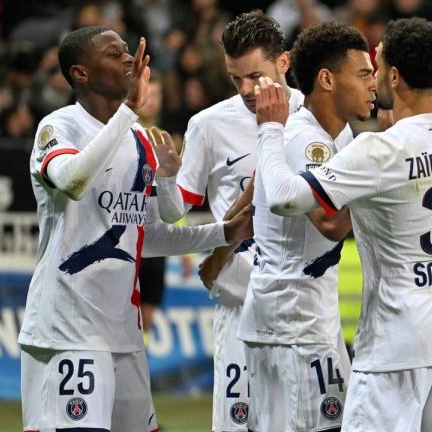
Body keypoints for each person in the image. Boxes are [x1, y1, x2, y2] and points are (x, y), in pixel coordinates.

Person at [253, 17, 432, 431]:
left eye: (377, 66)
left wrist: (269, 130)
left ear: (396, 76)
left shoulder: (378, 151)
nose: (373, 77)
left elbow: (284, 198)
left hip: (398, 343)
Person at [18, 26, 252, 432]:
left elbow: (147, 235)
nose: (128, 58)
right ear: (80, 73)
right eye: (113, 54)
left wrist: (222, 233)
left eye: (128, 51)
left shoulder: (140, 140)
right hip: (68, 329)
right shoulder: (58, 127)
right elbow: (73, 181)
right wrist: (128, 109)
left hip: (123, 334)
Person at [153, 11, 304, 432]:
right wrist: (166, 179)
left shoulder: (317, 120)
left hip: (303, 312)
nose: (246, 90)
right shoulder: (209, 124)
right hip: (239, 306)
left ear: (285, 62)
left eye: (255, 76)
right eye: (236, 79)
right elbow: (174, 211)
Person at [236, 21, 375, 431]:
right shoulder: (304, 138)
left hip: (307, 316)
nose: (373, 84)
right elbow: (330, 223)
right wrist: (378, 194)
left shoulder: (342, 135)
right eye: (363, 74)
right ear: (327, 79)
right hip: (290, 321)